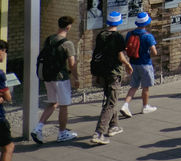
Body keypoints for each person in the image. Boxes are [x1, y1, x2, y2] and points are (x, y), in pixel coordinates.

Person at [31, 16, 80, 144]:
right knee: (64, 106)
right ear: (68, 27)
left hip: (48, 77)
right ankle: (62, 133)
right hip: (61, 78)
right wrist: (76, 78)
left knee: (52, 103)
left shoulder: (49, 39)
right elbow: (72, 64)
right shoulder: (67, 44)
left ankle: (38, 128)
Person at [91, 11, 133, 145]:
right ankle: (99, 133)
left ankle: (114, 125)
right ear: (119, 22)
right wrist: (127, 64)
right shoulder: (118, 37)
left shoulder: (100, 35)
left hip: (102, 72)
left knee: (111, 98)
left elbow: (97, 54)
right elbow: (120, 56)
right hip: (113, 73)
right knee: (110, 103)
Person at [120, 12, 158, 118]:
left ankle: (125, 105)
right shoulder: (148, 36)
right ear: (146, 23)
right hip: (145, 64)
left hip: (133, 63)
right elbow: (154, 52)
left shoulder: (129, 34)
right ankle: (145, 106)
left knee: (134, 86)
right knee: (145, 87)